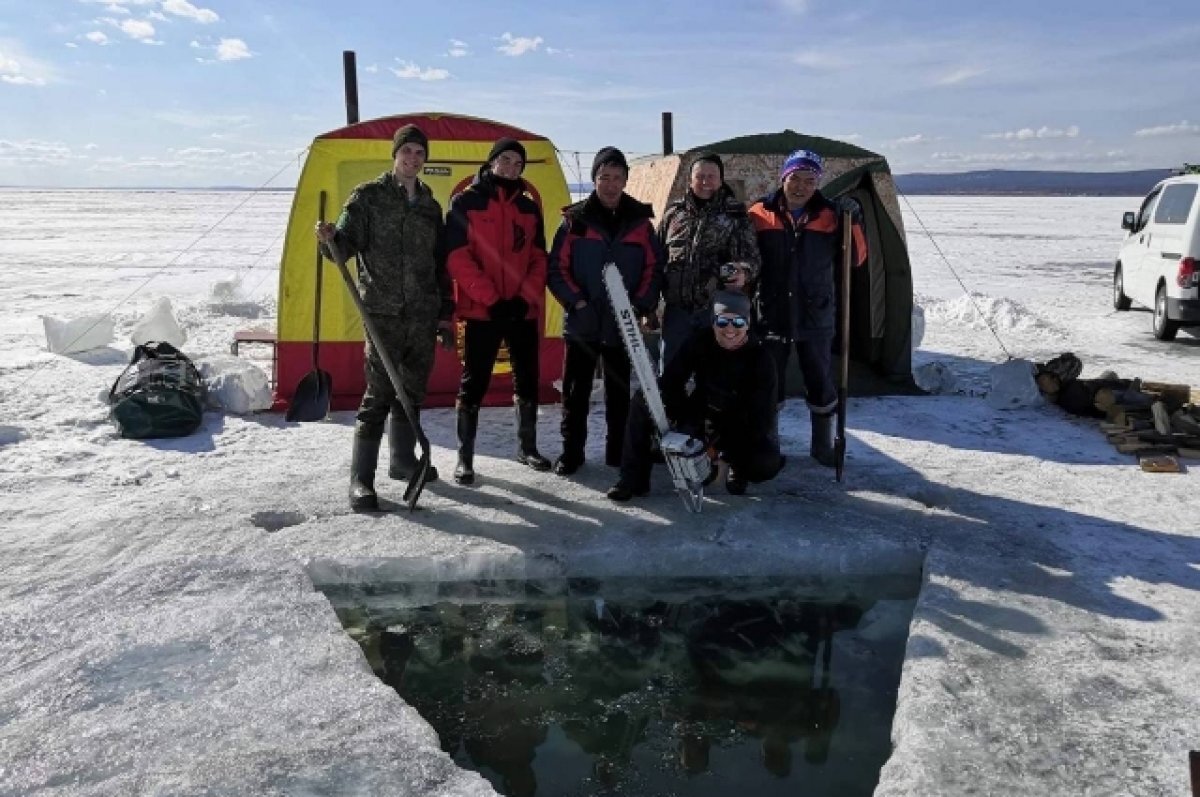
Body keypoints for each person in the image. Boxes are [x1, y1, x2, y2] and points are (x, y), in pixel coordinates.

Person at [315, 124, 455, 511]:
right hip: (382, 314)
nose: (413, 159)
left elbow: (438, 265)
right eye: (407, 151)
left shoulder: (430, 205)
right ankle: (361, 480)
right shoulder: (368, 198)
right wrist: (329, 238)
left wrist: (443, 314)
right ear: (395, 155)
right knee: (378, 394)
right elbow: (341, 249)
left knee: (412, 392)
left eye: (419, 154)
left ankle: (403, 461)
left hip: (422, 315)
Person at [546, 146, 662, 476]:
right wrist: (576, 302)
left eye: (616, 177)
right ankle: (572, 452)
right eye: (603, 177)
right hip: (583, 322)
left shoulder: (640, 223)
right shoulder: (575, 220)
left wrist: (639, 305)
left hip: (620, 325)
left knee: (619, 394)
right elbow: (557, 268)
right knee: (575, 393)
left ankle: (617, 451)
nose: (610, 184)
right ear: (595, 179)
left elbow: (654, 268)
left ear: (626, 180)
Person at [747, 149, 866, 467]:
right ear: (783, 178)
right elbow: (747, 257)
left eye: (809, 180)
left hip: (816, 311)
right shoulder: (760, 212)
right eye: (795, 178)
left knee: (821, 379)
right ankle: (768, 442)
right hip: (773, 311)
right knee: (770, 380)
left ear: (818, 183)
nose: (800, 186)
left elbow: (856, 258)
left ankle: (822, 445)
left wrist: (855, 221)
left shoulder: (831, 215)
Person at [607, 291, 784, 500]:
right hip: (702, 414)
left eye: (738, 322)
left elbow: (761, 418)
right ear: (713, 322)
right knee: (643, 399)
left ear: (747, 324)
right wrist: (668, 415)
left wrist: (717, 449)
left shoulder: (761, 359)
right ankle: (632, 479)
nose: (729, 329)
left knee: (764, 463)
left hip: (742, 425)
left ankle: (736, 468)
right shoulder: (701, 340)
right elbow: (672, 380)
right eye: (722, 321)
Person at [445, 137, 552, 485]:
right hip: (483, 312)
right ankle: (465, 458)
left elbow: (539, 258)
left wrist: (525, 297)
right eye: (505, 160)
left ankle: (527, 447)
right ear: (491, 162)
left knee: (526, 378)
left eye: (517, 163)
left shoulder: (528, 208)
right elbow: (458, 258)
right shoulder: (466, 203)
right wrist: (492, 298)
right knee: (474, 381)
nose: (510, 167)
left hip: (522, 311)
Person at [657, 152, 760, 369]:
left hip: (718, 312)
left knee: (715, 372)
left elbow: (752, 258)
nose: (705, 182)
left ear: (721, 180)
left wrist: (743, 271)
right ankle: (670, 404)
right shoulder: (674, 214)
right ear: (690, 180)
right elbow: (657, 258)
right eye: (700, 176)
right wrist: (648, 305)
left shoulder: (736, 215)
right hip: (677, 311)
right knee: (670, 370)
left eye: (711, 176)